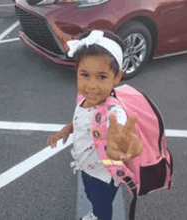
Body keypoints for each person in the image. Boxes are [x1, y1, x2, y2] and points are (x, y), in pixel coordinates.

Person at [47, 30, 142, 220]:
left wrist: (121, 141)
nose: (91, 85)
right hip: (86, 166)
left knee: (102, 203)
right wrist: (65, 130)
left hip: (104, 173)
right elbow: (80, 118)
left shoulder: (113, 112)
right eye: (85, 75)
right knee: (90, 195)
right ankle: (96, 215)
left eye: (101, 77)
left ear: (116, 77)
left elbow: (119, 126)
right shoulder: (83, 98)